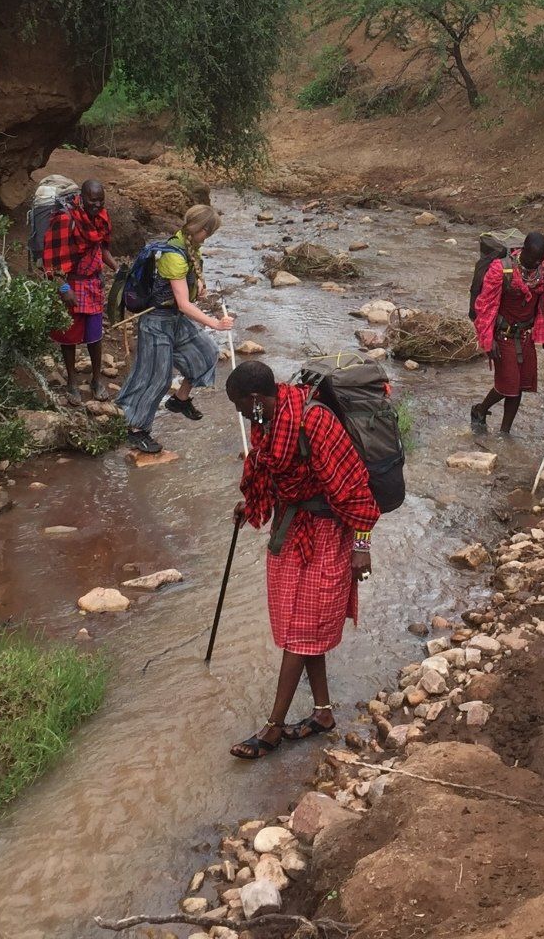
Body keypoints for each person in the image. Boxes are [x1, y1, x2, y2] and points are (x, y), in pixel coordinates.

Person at [224, 360, 379, 759]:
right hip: (292, 528)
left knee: (301, 631)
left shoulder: (315, 422)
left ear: (256, 399)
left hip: (328, 534)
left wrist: (361, 546)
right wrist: (251, 503)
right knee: (302, 629)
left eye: (242, 407)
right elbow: (270, 471)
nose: (242, 415)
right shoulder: (268, 422)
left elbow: (356, 489)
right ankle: (323, 714)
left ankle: (272, 728)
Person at [117, 203, 234, 455]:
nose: (209, 237)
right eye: (209, 232)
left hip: (175, 320)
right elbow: (183, 303)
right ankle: (136, 430)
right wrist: (215, 323)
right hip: (156, 323)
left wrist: (199, 288)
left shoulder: (190, 247)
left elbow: (185, 296)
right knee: (155, 377)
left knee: (207, 353)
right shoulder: (173, 254)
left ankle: (180, 400)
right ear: (200, 229)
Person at [469, 230, 544, 437]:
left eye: (539, 260)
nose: (535, 265)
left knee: (520, 385)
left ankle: (505, 432)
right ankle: (480, 410)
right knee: (507, 385)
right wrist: (488, 339)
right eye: (531, 260)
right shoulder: (500, 270)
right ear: (523, 252)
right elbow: (485, 307)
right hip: (502, 334)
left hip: (525, 334)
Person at [41, 180, 112, 399]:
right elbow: (51, 260)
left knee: (95, 335)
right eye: (92, 199)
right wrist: (63, 288)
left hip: (92, 284)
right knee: (69, 336)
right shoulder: (65, 220)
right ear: (82, 197)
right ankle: (72, 382)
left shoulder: (100, 217)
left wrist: (118, 269)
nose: (97, 204)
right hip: (70, 284)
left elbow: (101, 248)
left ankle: (96, 380)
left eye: (100, 199)